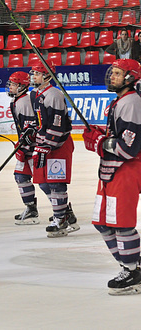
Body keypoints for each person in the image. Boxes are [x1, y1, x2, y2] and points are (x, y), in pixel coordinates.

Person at [82, 59, 141, 295]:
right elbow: (116, 137)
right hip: (110, 170)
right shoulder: (119, 101)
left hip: (125, 170)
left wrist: (99, 142)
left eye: (118, 73)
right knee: (102, 223)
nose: (112, 76)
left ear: (130, 77)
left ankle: (132, 271)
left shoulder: (132, 103)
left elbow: (129, 148)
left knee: (121, 223)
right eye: (113, 72)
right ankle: (132, 264)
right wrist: (101, 135)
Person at [28, 63, 80, 237]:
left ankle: (61, 219)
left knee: (56, 183)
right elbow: (41, 121)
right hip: (45, 145)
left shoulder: (54, 95)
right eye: (33, 73)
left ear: (47, 76)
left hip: (59, 145)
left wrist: (45, 145)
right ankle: (65, 212)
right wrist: (33, 134)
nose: (33, 76)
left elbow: (57, 126)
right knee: (43, 182)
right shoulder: (35, 93)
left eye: (37, 74)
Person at [6, 71, 39, 225]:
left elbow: (31, 129)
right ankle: (31, 209)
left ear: (21, 86)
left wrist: (24, 148)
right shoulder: (18, 100)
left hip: (34, 148)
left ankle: (63, 211)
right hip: (26, 146)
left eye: (13, 84)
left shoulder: (24, 102)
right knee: (21, 176)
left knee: (45, 183)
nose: (10, 87)